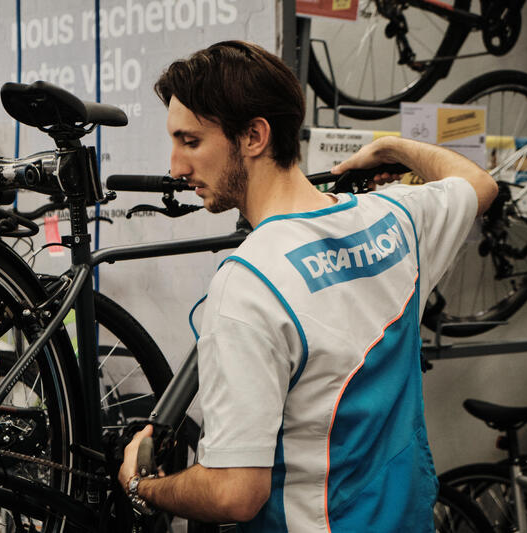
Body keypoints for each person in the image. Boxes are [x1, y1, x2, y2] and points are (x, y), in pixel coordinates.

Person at [118, 40, 497, 531]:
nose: (176, 167)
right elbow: (479, 183)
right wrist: (390, 146)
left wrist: (139, 486)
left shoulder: (249, 284)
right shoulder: (394, 218)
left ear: (254, 136)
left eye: (191, 142)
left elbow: (234, 495)